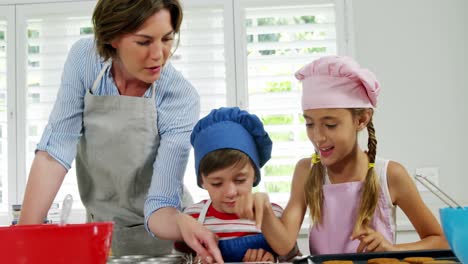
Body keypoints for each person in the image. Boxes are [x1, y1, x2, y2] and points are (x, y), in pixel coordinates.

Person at [18, 0, 205, 257]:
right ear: (113, 37)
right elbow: (56, 149)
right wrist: (22, 244)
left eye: (167, 39)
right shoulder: (85, 59)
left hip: (162, 239)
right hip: (101, 235)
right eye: (144, 41)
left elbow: (161, 200)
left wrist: (191, 227)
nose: (159, 54)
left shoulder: (181, 97)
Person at [235, 56, 449, 254]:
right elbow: (285, 245)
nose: (318, 137)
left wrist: (392, 249)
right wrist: (264, 211)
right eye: (309, 123)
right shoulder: (306, 171)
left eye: (330, 124)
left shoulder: (390, 175)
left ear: (362, 120)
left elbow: (440, 240)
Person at [175, 107, 300, 263]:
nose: (230, 192)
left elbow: (294, 258)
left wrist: (273, 260)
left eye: (240, 180)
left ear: (254, 174)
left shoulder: (272, 213)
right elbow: (180, 260)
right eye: (217, 183)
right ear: (202, 180)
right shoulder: (192, 217)